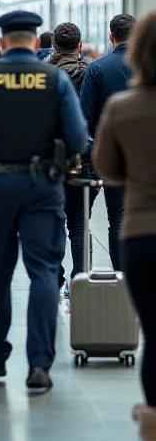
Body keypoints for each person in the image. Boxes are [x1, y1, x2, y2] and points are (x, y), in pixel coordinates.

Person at [0, 11, 88, 390]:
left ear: (3, 43)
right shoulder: (55, 79)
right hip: (43, 187)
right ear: (35, 38)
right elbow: (78, 138)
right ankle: (39, 364)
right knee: (43, 271)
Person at [92, 11, 156, 441]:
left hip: (141, 236)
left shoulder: (122, 107)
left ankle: (154, 434)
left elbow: (108, 169)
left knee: (154, 336)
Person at [81, 13, 136, 271]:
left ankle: (122, 276)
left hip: (114, 158)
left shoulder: (97, 69)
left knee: (118, 218)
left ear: (111, 36)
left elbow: (86, 118)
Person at [48, 23, 97, 292]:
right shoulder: (90, 72)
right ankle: (80, 282)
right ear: (79, 46)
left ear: (54, 45)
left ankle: (54, 279)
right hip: (82, 159)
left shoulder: (43, 74)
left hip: (50, 161)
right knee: (79, 222)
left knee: (54, 221)